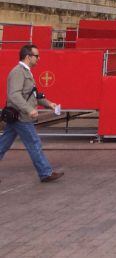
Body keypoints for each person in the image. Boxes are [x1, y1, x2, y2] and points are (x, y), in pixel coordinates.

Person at [0, 44, 63, 182]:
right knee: (34, 143)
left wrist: (49, 104)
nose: (38, 58)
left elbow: (33, 95)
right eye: (36, 56)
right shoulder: (18, 72)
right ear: (28, 57)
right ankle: (45, 173)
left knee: (3, 144)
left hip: (18, 116)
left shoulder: (26, 72)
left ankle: (45, 172)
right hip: (21, 116)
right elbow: (14, 95)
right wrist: (29, 109)